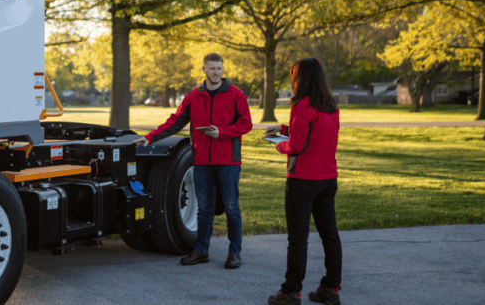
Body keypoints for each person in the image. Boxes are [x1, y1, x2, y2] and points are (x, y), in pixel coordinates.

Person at [133, 53, 253, 269]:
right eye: (212, 68)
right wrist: (150, 137)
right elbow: (175, 121)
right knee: (204, 209)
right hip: (201, 162)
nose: (216, 72)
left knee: (232, 208)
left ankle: (235, 253)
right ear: (204, 69)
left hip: (228, 162)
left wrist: (222, 132)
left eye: (219, 68)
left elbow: (246, 124)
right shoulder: (194, 96)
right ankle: (201, 251)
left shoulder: (236, 95)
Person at [263, 58, 342, 305]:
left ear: (300, 78)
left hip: (302, 182)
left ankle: (290, 292)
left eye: (293, 76)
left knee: (298, 238)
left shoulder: (302, 104)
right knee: (330, 235)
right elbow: (311, 130)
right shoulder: (330, 105)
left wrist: (278, 144)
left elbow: (296, 146)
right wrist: (283, 127)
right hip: (328, 180)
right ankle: (330, 289)